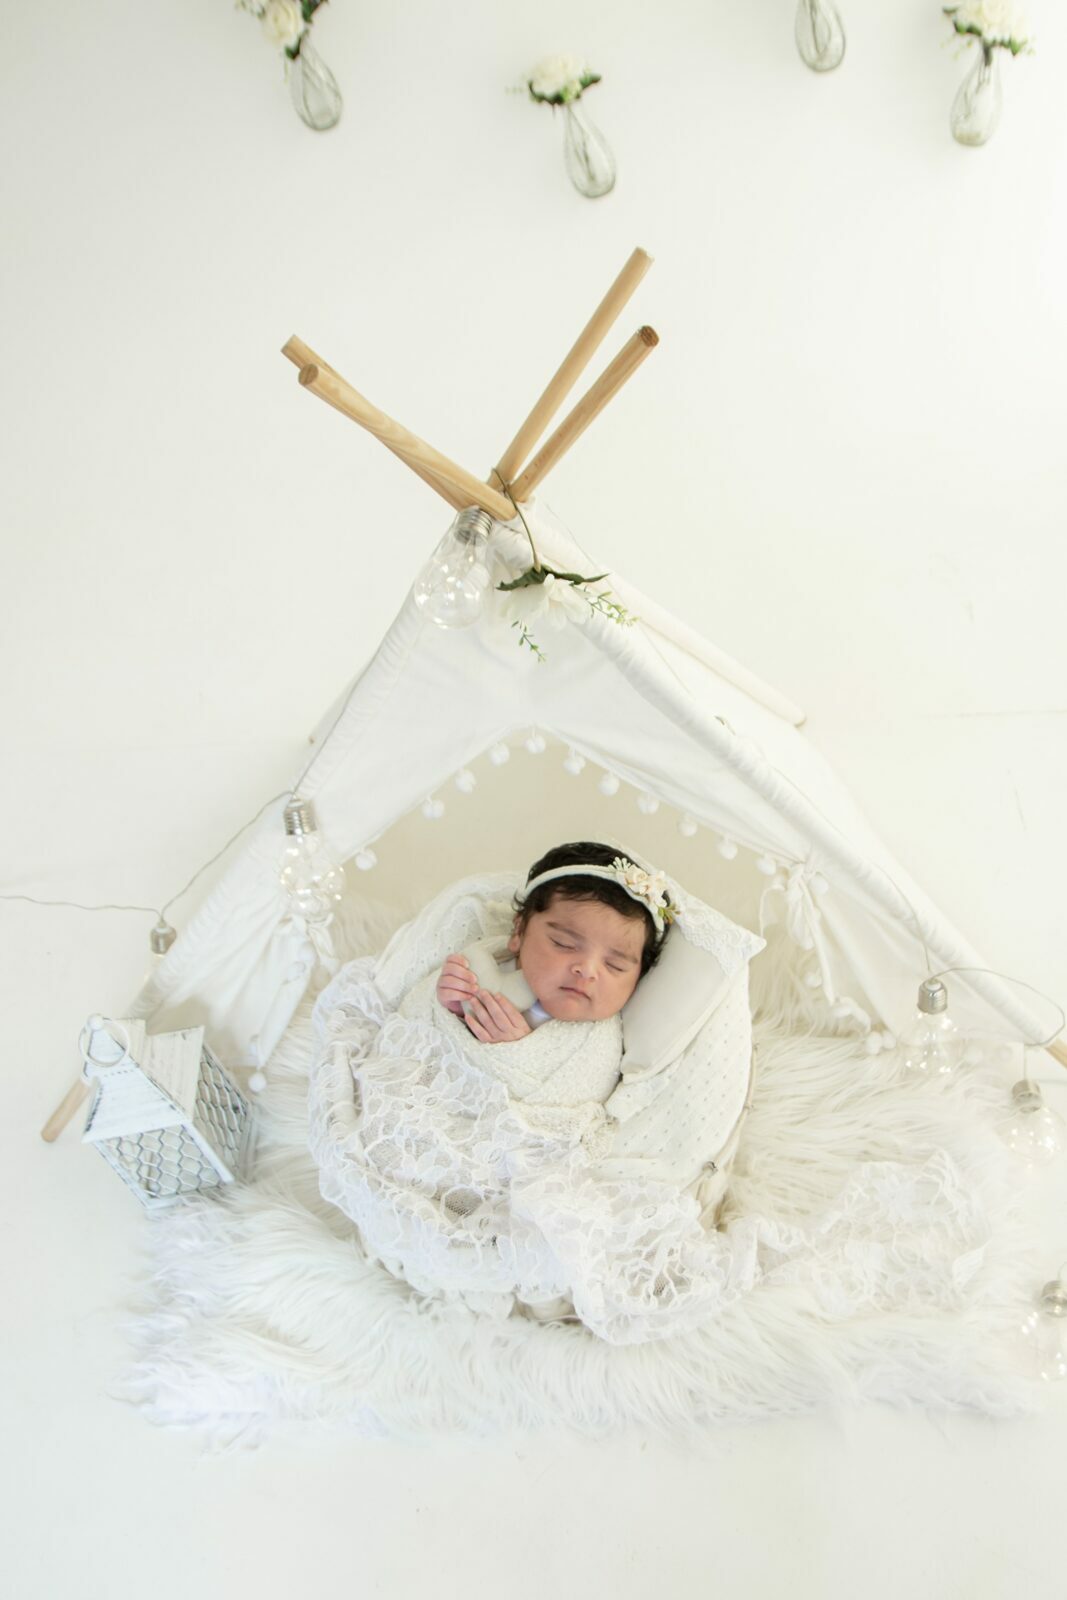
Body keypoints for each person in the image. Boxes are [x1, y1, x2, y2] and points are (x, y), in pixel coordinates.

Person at [435, 839, 667, 1047]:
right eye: (564, 943)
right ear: (519, 931)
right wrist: (455, 1008)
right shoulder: (484, 969)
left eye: (615, 965)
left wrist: (517, 1051)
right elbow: (428, 1042)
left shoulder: (600, 1043)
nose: (587, 970)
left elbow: (579, 1083)